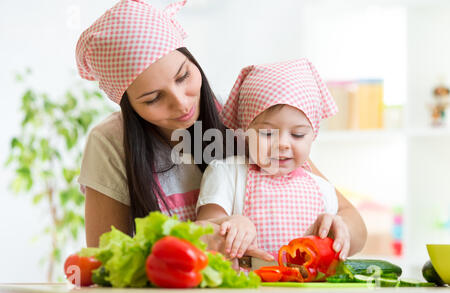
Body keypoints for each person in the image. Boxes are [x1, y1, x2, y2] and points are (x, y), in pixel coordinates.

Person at [76, 0, 366, 263]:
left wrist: (341, 232)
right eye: (154, 98)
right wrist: (195, 243)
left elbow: (351, 219)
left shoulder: (246, 120)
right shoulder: (111, 143)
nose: (181, 102)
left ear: (193, 61)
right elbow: (105, 262)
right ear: (129, 104)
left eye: (183, 76)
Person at [196, 59, 367, 267]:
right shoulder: (226, 173)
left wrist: (338, 232)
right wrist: (229, 225)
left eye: (297, 134)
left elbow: (349, 238)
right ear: (246, 133)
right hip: (249, 290)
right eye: (268, 133)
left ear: (313, 135)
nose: (283, 144)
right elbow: (202, 230)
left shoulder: (323, 189)